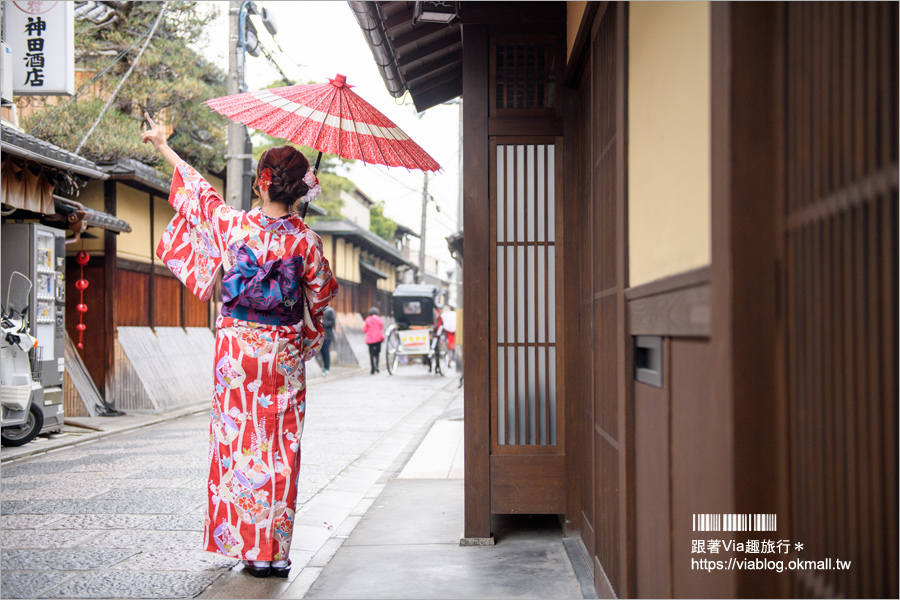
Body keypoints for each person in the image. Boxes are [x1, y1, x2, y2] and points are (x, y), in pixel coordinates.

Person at [142, 114, 338, 579]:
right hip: (284, 352)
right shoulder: (307, 242)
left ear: (261, 184)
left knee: (239, 441)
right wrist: (311, 335)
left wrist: (161, 145)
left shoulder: (233, 227)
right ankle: (275, 552)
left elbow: (198, 193)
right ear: (299, 191)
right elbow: (323, 292)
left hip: (237, 355)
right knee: (282, 447)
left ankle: (249, 548)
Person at [362, 306, 384, 374]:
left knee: (371, 354)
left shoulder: (368, 320)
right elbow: (381, 328)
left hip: (370, 339)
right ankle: (377, 366)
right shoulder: (380, 319)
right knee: (377, 353)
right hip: (378, 338)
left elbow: (364, 330)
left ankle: (372, 368)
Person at [321, 306, 336, 375]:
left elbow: (332, 322)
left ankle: (327, 368)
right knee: (322, 351)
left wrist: (323, 322)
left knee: (326, 351)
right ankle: (324, 366)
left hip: (328, 335)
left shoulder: (330, 311)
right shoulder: (321, 310)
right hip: (321, 335)